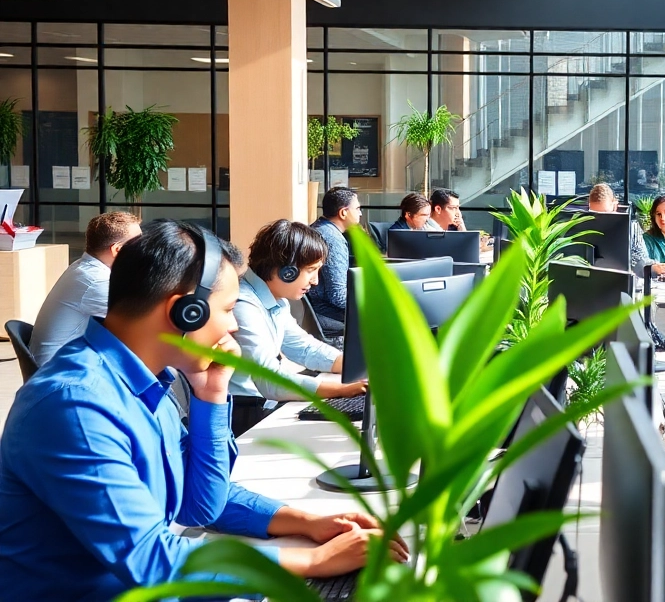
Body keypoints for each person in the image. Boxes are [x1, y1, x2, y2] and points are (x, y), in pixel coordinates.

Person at [0, 220, 406, 599]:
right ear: (183, 311)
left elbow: (200, 503)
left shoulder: (147, 381)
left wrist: (307, 523)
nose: (233, 328)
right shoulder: (77, 406)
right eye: (228, 310)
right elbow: (152, 562)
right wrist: (312, 561)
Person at [231, 219, 368, 436]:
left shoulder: (275, 300)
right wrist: (343, 390)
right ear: (287, 271)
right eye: (311, 270)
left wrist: (360, 367)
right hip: (242, 416)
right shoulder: (243, 304)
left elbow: (304, 348)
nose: (315, 281)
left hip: (261, 407)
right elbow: (270, 381)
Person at [30, 211, 142, 366]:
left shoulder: (85, 268)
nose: (144, 249)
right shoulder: (95, 280)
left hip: (67, 364)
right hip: (62, 375)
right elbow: (142, 321)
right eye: (139, 244)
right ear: (117, 250)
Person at [309, 187, 360, 337]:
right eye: (357, 208)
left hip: (314, 309)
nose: (360, 213)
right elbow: (338, 295)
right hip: (325, 314)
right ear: (343, 212)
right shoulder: (333, 239)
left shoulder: (318, 228)